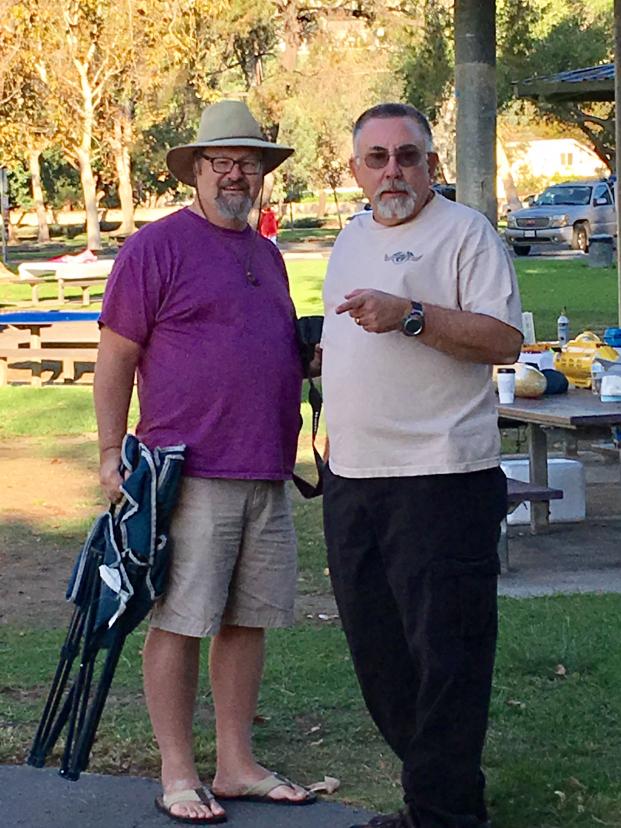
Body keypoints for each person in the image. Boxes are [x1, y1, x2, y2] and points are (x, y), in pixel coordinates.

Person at [94, 99, 316, 824]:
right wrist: (109, 453)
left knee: (247, 620)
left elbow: (263, 349)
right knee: (181, 620)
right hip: (185, 472)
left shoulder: (268, 254)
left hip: (265, 467)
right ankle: (178, 770)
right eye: (222, 161)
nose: (235, 174)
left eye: (248, 163)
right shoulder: (154, 248)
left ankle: (236, 764)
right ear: (195, 169)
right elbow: (115, 358)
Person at [320, 102, 523, 828]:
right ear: (355, 170)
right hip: (352, 479)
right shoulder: (349, 238)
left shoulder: (465, 233)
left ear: (431, 163)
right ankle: (433, 796)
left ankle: (444, 812)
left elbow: (503, 340)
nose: (393, 171)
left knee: (448, 656)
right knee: (379, 654)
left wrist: (411, 314)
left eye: (407, 156)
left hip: (442, 478)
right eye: (376, 158)